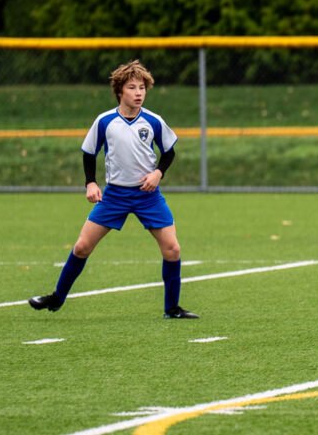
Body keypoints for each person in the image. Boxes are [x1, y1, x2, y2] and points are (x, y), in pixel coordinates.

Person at [28, 60, 198, 319]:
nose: (138, 93)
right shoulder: (105, 121)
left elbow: (169, 152)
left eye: (142, 88)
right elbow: (88, 153)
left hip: (147, 196)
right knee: (82, 247)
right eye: (132, 87)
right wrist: (90, 183)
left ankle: (172, 309)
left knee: (172, 249)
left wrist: (158, 173)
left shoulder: (153, 121)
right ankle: (57, 298)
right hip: (115, 196)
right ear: (120, 91)